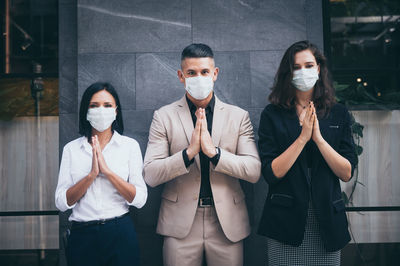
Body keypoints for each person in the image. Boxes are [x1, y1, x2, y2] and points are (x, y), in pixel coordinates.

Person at [143, 43, 261, 266]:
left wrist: (214, 154)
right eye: (191, 73)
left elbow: (253, 171)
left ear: (215, 74)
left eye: (205, 72)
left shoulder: (238, 117)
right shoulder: (163, 116)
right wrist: (188, 154)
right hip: (179, 225)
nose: (199, 77)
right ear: (181, 76)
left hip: (227, 223)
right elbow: (151, 174)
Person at [257, 40, 358, 265]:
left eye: (309, 65)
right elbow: (271, 173)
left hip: (327, 223)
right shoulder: (272, 114)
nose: (303, 71)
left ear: (319, 68)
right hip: (285, 222)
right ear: (288, 72)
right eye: (296, 67)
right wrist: (302, 138)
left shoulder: (338, 113)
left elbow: (346, 172)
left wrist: (318, 139)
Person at [55, 82, 147, 266]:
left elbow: (140, 198)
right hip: (83, 235)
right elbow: (61, 202)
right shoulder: (72, 149)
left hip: (120, 231)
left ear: (116, 111)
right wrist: (91, 176)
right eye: (94, 105)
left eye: (107, 105)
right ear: (86, 111)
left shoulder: (129, 146)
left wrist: (107, 172)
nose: (101, 110)